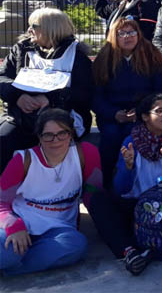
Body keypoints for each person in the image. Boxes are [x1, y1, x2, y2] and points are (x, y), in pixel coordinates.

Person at [88, 93, 162, 276]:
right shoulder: (132, 142)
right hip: (137, 205)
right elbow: (121, 189)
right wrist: (128, 168)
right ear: (145, 116)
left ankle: (148, 246)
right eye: (159, 111)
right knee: (98, 199)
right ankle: (130, 252)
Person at [0, 109, 102, 275]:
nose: (56, 140)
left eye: (62, 133)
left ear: (71, 134)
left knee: (77, 245)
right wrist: (14, 226)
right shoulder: (23, 160)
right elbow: (2, 202)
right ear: (39, 137)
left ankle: (12, 268)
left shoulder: (85, 154)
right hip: (21, 221)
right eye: (48, 135)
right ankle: (15, 260)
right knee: (7, 252)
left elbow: (94, 191)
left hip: (58, 229)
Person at [0, 8, 94, 171]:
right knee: (3, 140)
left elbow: (85, 93)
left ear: (52, 28)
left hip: (63, 117)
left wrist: (51, 100)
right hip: (22, 117)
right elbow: (2, 77)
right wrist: (18, 97)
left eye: (34, 26)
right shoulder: (21, 50)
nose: (29, 30)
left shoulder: (77, 56)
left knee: (50, 142)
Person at [93, 17, 162, 190]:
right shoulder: (104, 58)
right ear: (114, 36)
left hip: (142, 113)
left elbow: (160, 90)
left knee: (131, 136)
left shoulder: (151, 55)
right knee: (111, 137)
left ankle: (132, 184)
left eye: (132, 32)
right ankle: (106, 185)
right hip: (112, 114)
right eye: (122, 33)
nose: (128, 37)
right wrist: (113, 114)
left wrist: (143, 111)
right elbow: (96, 96)